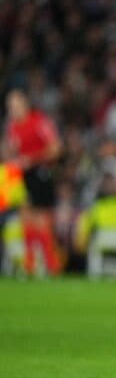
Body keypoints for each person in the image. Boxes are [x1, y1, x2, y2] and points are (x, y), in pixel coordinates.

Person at [1, 89, 63, 275]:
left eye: (16, 105)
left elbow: (56, 148)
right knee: (25, 218)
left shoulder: (39, 121)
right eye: (10, 106)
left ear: (25, 105)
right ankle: (30, 265)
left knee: (42, 221)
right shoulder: (12, 127)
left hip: (40, 173)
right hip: (21, 176)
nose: (13, 110)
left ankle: (52, 265)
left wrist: (31, 159)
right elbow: (11, 149)